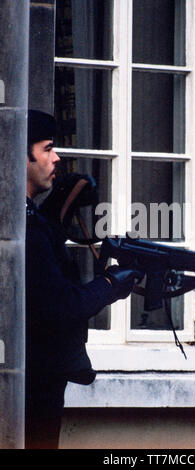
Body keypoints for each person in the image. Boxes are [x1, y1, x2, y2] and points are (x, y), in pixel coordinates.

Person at [25, 109, 141, 449]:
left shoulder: (26, 217)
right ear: (22, 154)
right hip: (34, 385)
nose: (56, 157)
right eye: (47, 149)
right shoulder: (24, 229)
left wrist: (60, 202)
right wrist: (111, 284)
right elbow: (60, 304)